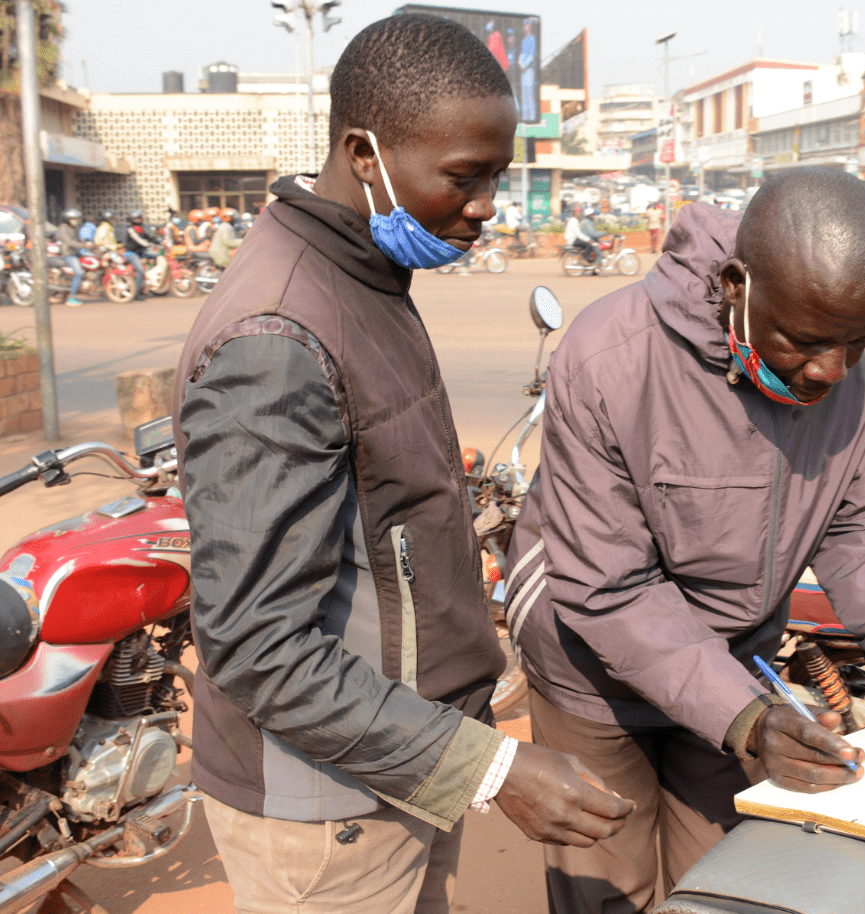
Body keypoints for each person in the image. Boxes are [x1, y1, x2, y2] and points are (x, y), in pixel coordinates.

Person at [172, 15, 632, 914]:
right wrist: (489, 767)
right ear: (364, 153)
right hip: (329, 813)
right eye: (465, 176)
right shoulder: (278, 334)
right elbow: (259, 643)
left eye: (497, 175)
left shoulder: (360, 272)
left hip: (394, 766)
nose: (488, 204)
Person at [503, 167, 865, 914]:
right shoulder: (611, 356)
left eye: (855, 343)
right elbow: (608, 588)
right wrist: (745, 719)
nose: (830, 372)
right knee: (609, 895)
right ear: (737, 286)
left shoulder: (858, 353)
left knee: (726, 889)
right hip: (591, 675)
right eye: (804, 342)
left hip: (734, 665)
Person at [56, 209, 88, 307]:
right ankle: (72, 297)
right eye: (73, 219)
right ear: (67, 219)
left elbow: (80, 239)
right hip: (69, 254)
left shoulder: (76, 227)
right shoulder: (63, 228)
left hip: (77, 252)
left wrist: (88, 244)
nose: (76, 220)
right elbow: (69, 241)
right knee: (79, 272)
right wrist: (83, 246)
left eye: (76, 219)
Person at [124, 211, 156, 300]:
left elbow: (147, 237)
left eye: (139, 218)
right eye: (135, 219)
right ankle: (136, 293)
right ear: (132, 220)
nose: (138, 220)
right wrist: (148, 244)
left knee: (156, 256)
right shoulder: (130, 229)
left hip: (140, 253)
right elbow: (138, 240)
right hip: (131, 253)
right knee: (140, 271)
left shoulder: (140, 228)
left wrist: (157, 240)